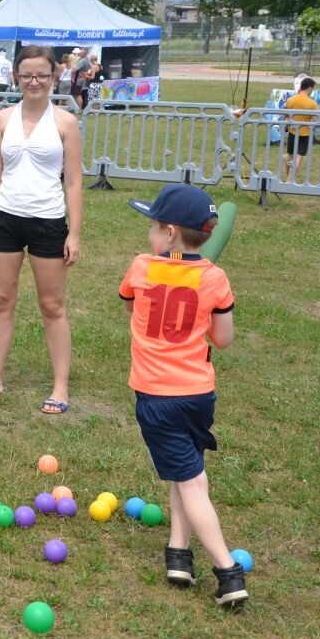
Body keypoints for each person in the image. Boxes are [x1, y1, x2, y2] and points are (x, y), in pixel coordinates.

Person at [120, 184, 248, 606]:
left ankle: (228, 573)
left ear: (171, 233)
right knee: (188, 471)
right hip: (198, 396)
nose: (150, 234)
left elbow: (131, 306)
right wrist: (201, 312)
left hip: (158, 397)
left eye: (154, 226)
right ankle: (178, 554)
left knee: (192, 483)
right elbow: (223, 339)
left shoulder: (141, 267)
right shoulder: (215, 278)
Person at [0, 45, 83, 413]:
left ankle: (60, 387)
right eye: (27, 75)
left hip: (48, 221)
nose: (34, 81)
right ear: (16, 77)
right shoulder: (2, 119)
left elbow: (74, 182)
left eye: (41, 75)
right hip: (4, 220)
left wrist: (74, 233)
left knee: (52, 305)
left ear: (53, 77)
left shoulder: (65, 122)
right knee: (1, 300)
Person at [283, 77, 318, 183]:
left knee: (290, 156)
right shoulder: (312, 104)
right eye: (313, 88)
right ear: (310, 88)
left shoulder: (290, 100)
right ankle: (288, 182)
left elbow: (286, 116)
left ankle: (288, 178)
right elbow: (314, 121)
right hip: (304, 134)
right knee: (297, 159)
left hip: (292, 131)